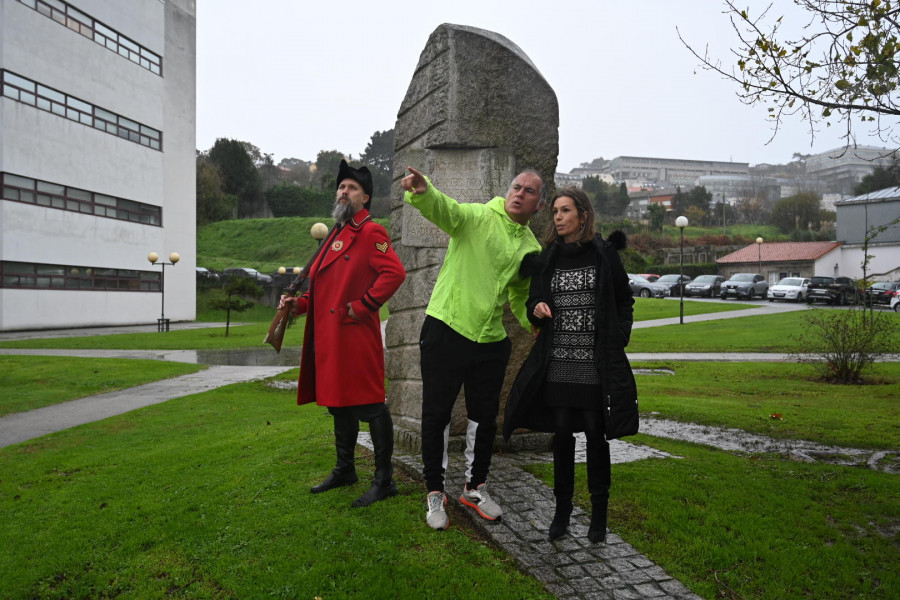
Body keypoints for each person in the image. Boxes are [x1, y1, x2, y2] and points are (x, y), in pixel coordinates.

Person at [400, 165, 545, 530]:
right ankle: (435, 492)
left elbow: (520, 293)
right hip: (446, 329)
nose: (520, 193)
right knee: (437, 415)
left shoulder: (531, 247)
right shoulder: (478, 216)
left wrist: (536, 322)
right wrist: (423, 191)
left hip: (491, 343)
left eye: (529, 191)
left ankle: (475, 487)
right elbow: (447, 210)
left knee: (484, 419)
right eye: (517, 186)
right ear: (508, 190)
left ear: (538, 205)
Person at [503, 187, 638, 543]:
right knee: (562, 437)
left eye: (565, 211)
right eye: (556, 212)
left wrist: (618, 336)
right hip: (558, 362)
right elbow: (534, 296)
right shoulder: (548, 257)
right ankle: (561, 512)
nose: (558, 218)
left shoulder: (604, 254)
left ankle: (598, 516)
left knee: (596, 435)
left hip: (594, 366)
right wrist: (538, 307)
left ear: (583, 214)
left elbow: (625, 300)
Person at [279, 160, 406, 508]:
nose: (343, 192)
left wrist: (363, 305)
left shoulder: (371, 232)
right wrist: (299, 305)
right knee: (339, 405)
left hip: (354, 336)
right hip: (331, 338)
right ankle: (345, 469)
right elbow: (325, 287)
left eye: (351, 188)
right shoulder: (336, 233)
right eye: (341, 187)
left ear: (365, 197)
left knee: (371, 406)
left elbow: (394, 274)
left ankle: (385, 481)